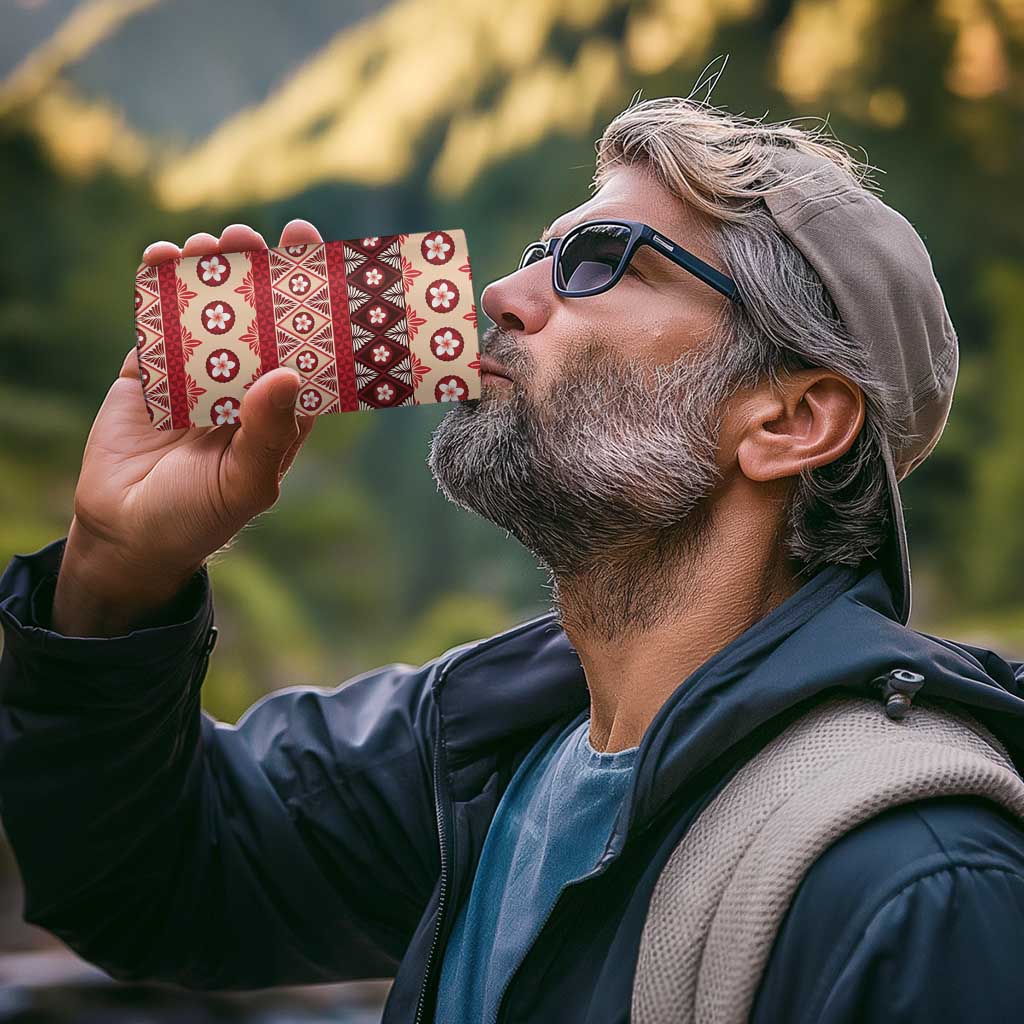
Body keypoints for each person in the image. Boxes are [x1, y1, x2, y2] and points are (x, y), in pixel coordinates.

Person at [2, 94, 1024, 1024]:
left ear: (790, 419)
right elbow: (149, 880)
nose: (499, 292)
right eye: (540, 252)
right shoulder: (479, 749)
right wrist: (115, 571)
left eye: (600, 261)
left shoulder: (918, 884)